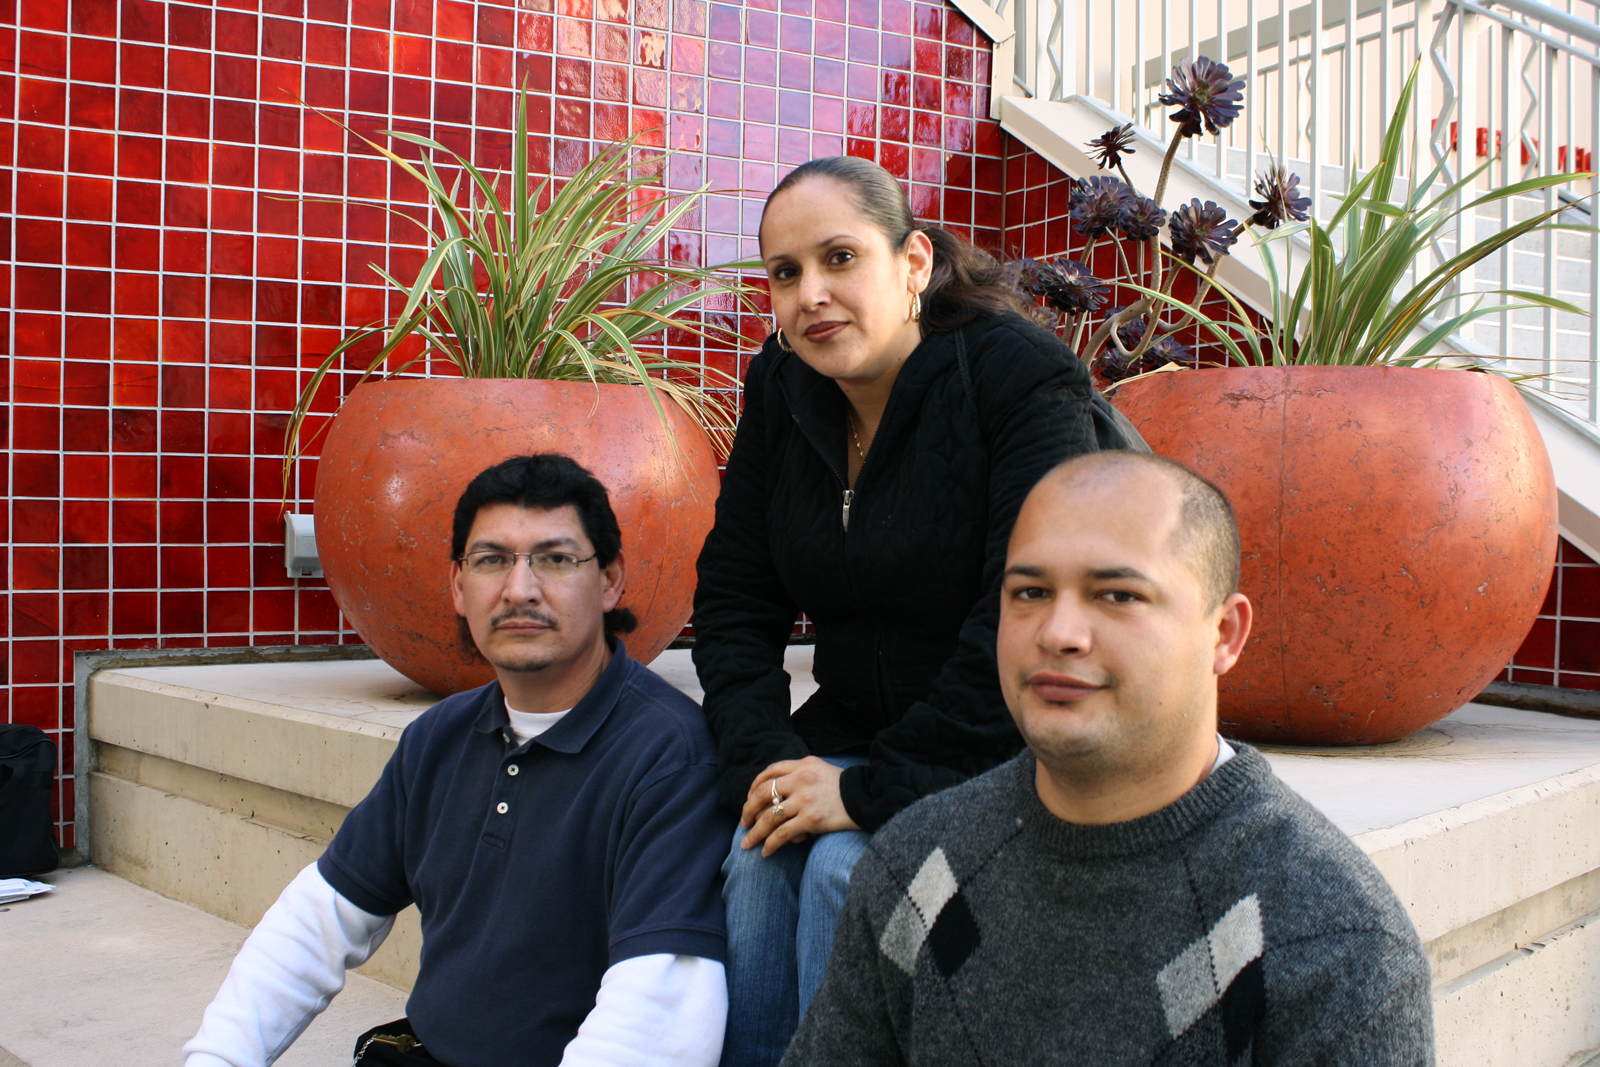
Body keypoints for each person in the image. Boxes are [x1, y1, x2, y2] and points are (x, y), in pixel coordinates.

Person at [784, 452, 1435, 1067]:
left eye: (1118, 595)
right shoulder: (918, 867)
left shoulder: (1331, 937)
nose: (1058, 633)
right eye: (1030, 592)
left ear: (1225, 634)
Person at [691, 156, 1105, 1066]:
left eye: (840, 258)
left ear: (914, 262)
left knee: (850, 870)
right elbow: (734, 595)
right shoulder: (783, 383)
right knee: (759, 854)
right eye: (786, 273)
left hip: (1007, 738)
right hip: (857, 723)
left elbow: (1030, 615)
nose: (811, 294)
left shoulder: (1017, 377)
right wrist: (763, 759)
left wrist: (865, 792)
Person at [185, 455, 732, 1067]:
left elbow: (659, 1015)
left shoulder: (670, 758)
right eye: (491, 560)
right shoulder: (438, 739)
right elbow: (316, 922)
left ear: (609, 580)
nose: (519, 589)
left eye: (555, 559)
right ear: (457, 585)